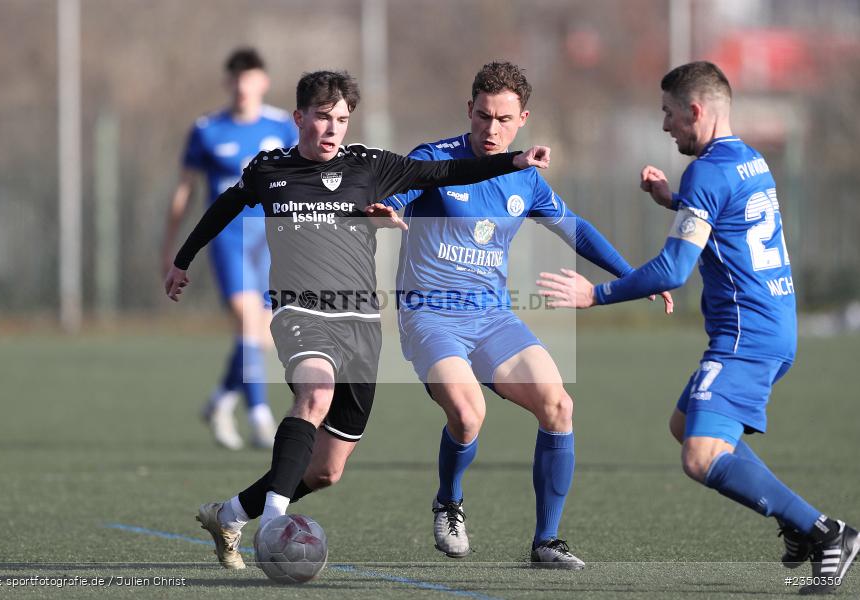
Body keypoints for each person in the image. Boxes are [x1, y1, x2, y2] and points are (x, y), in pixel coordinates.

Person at [165, 69, 552, 570]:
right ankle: (276, 523)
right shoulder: (268, 170)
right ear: (299, 117)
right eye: (322, 118)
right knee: (315, 392)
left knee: (326, 470)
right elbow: (224, 206)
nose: (332, 130)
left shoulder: (371, 166)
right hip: (300, 312)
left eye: (342, 120)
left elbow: (445, 174)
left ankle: (232, 512)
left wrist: (515, 160)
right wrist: (183, 259)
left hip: (362, 325)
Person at [537, 61, 858, 593]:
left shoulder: (706, 171)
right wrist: (675, 201)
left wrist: (594, 294)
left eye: (668, 114)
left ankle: (826, 532)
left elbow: (673, 270)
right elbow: (724, 220)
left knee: (700, 454)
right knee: (686, 425)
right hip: (773, 324)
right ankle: (795, 524)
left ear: (695, 110)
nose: (665, 127)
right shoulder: (749, 160)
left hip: (744, 335)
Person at [383, 61, 672, 568]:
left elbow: (575, 230)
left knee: (558, 406)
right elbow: (395, 195)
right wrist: (383, 209)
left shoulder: (526, 179)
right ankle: (449, 501)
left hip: (492, 319)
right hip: (429, 316)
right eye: (482, 116)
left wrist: (631, 277)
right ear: (468, 111)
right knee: (470, 414)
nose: (490, 129)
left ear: (522, 120)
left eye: (502, 119)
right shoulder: (434, 160)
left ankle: (546, 542)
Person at [162, 47, 298, 450]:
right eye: (236, 78)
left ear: (263, 82)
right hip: (228, 239)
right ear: (228, 83)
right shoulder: (207, 129)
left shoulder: (282, 127)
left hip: (270, 240)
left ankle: (221, 399)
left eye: (250, 77)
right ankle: (259, 417)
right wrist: (170, 247)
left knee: (263, 333)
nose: (243, 86)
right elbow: (184, 190)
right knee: (247, 320)